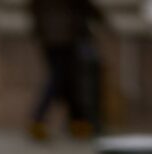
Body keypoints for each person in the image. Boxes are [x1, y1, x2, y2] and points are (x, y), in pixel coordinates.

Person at [28, 0, 104, 141]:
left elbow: (32, 6)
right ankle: (39, 117)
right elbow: (84, 6)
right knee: (60, 78)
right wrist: (100, 17)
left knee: (64, 78)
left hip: (48, 36)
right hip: (67, 36)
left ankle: (76, 121)